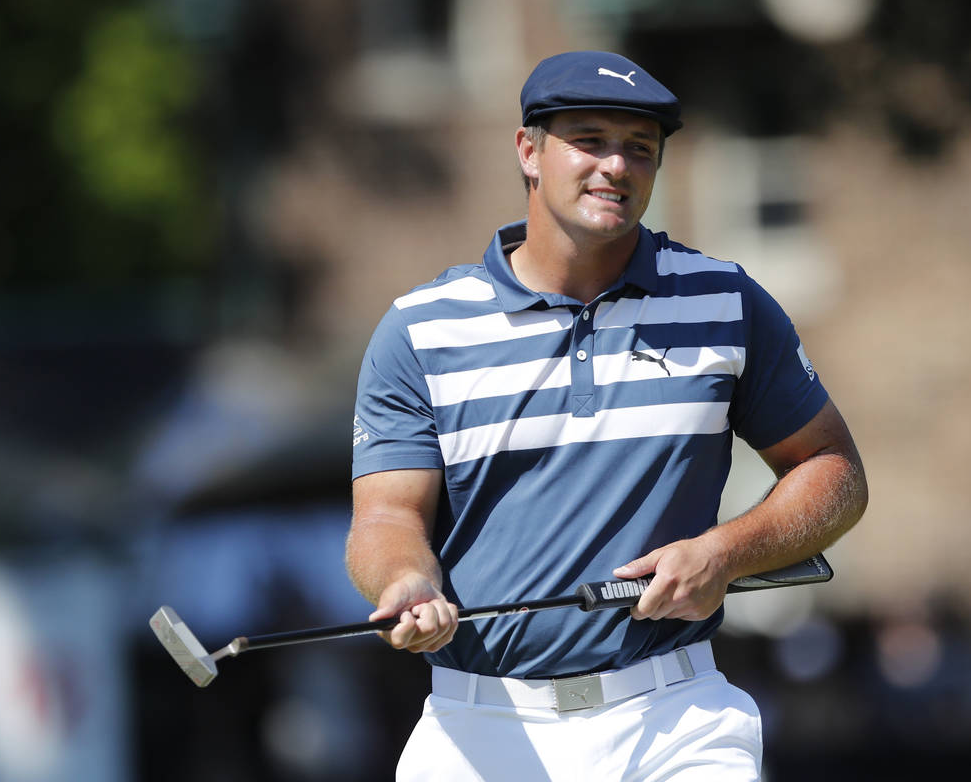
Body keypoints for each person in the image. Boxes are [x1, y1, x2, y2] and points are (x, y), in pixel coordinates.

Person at [347, 50, 867, 781]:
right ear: (529, 151)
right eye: (589, 140)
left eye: (640, 149)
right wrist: (405, 582)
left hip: (673, 716)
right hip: (481, 725)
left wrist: (724, 552)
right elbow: (385, 517)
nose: (616, 166)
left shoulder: (725, 303)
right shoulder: (423, 329)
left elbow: (833, 471)